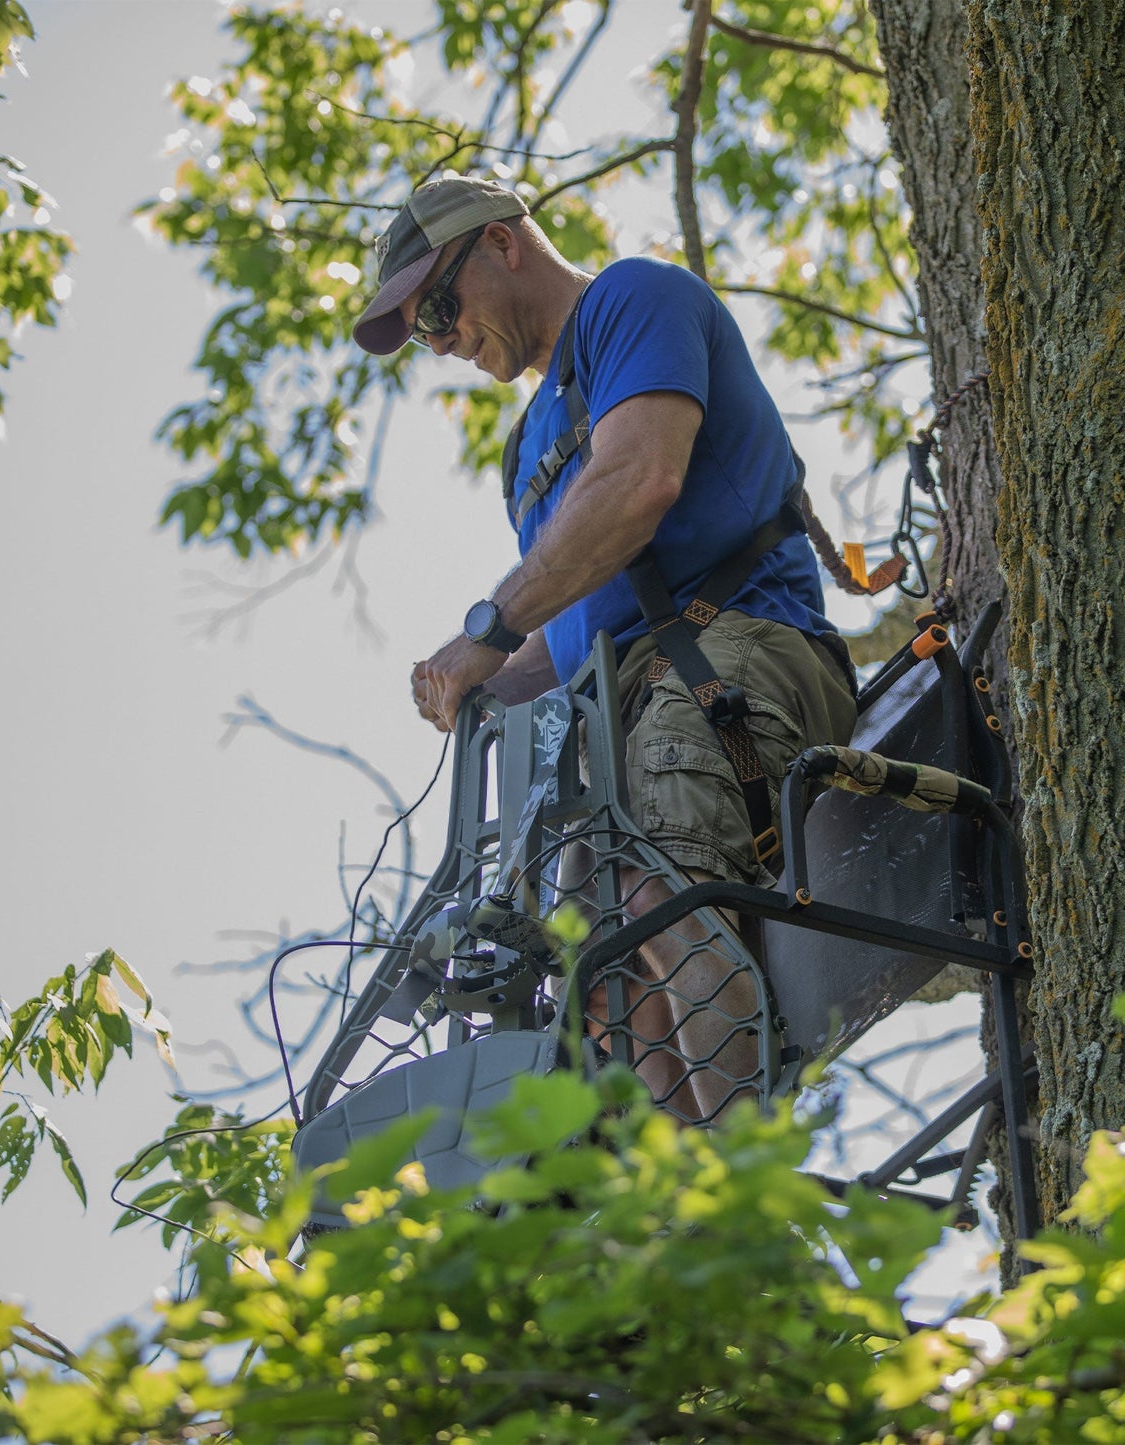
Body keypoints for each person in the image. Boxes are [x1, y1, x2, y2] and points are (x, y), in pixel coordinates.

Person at [352, 173, 857, 1119]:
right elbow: (575, 630)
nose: (443, 338)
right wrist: (490, 679)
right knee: (603, 974)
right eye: (424, 330)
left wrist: (485, 631)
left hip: (733, 660)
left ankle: (744, 1187)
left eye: (442, 306)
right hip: (622, 712)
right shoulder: (529, 443)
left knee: (654, 893)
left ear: (502, 243)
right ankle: (675, 1230)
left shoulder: (634, 299)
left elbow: (638, 482)